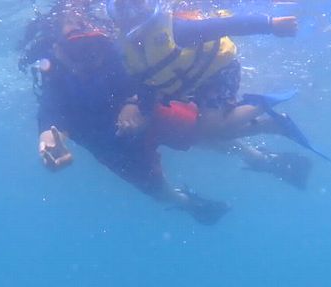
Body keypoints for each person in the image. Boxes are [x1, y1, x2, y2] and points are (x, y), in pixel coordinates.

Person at [20, 7, 232, 225]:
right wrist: (49, 146)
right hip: (109, 144)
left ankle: (250, 155)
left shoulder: (112, 46)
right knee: (157, 190)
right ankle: (190, 204)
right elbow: (50, 117)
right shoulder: (55, 77)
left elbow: (148, 76)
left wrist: (134, 102)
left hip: (148, 112)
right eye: (73, 45)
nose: (85, 53)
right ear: (57, 49)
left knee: (203, 131)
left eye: (84, 33)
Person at [106, 0, 299, 141]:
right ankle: (272, 125)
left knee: (210, 129)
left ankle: (261, 104)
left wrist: (269, 24)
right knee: (207, 134)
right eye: (122, 8)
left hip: (219, 72)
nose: (132, 14)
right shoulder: (126, 50)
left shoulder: (177, 30)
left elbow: (224, 25)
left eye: (136, 4)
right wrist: (136, 107)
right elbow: (146, 82)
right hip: (193, 84)